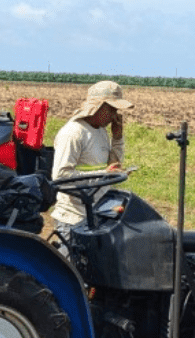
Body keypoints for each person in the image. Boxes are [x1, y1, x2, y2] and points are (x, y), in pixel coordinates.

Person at [49, 80, 134, 242]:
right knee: (70, 259)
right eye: (111, 109)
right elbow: (60, 177)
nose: (114, 115)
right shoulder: (73, 133)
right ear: (98, 106)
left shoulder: (101, 131)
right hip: (73, 219)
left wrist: (117, 138)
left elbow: (112, 166)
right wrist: (104, 174)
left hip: (96, 215)